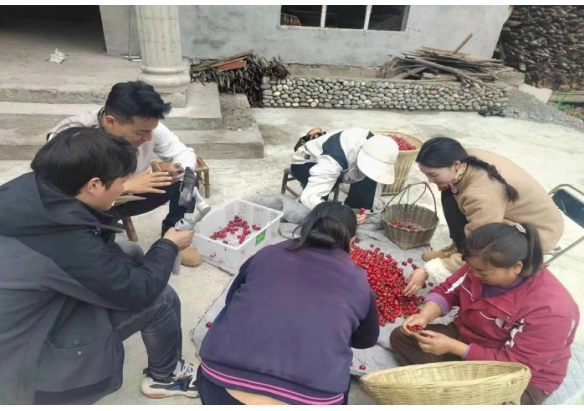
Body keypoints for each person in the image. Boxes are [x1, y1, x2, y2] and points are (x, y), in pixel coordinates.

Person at [0, 127, 198, 404]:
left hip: (23, 302)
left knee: (130, 251)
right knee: (161, 299)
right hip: (24, 360)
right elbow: (138, 291)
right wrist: (168, 245)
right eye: (122, 181)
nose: (124, 187)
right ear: (93, 185)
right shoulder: (67, 243)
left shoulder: (30, 188)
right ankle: (165, 377)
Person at [197, 202, 380, 405]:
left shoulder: (267, 254)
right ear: (352, 242)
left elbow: (231, 300)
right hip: (313, 399)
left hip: (218, 385)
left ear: (305, 229)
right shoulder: (358, 281)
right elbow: (366, 340)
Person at [391, 222, 579, 405]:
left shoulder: (552, 311)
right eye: (471, 267)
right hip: (468, 336)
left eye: (482, 272)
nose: (473, 274)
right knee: (404, 337)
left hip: (520, 374)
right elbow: (448, 291)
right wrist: (425, 315)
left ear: (517, 267)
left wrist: (455, 348)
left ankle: (452, 387)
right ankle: (454, 387)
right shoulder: (479, 266)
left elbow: (515, 365)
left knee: (494, 401)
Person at [48, 81, 201, 267]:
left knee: (187, 179)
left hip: (134, 194)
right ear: (111, 121)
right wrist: (125, 186)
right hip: (93, 205)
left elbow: (185, 153)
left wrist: (179, 167)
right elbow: (61, 195)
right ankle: (101, 252)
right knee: (104, 247)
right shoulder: (72, 136)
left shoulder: (147, 125)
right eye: (141, 132)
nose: (148, 138)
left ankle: (174, 237)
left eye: (151, 131)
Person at [403, 137, 564, 296]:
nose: (430, 181)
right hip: (509, 211)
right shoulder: (464, 160)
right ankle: (458, 248)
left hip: (538, 231)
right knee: (449, 191)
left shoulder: (482, 195)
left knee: (482, 250)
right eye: (427, 175)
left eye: (433, 175)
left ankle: (461, 255)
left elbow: (483, 246)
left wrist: (430, 270)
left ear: (456, 165)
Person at [290, 127, 399, 223]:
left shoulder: (376, 147)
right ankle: (326, 219)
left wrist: (365, 211)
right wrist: (337, 216)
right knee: (318, 209)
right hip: (306, 163)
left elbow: (375, 178)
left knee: (370, 177)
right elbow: (310, 196)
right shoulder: (334, 157)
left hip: (337, 163)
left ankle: (355, 212)